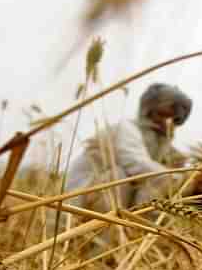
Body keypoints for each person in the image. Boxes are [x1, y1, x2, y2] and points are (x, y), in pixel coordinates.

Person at [65, 83, 192, 212]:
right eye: (162, 114)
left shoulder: (165, 148)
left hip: (112, 202)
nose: (167, 122)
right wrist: (182, 179)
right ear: (148, 111)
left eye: (174, 118)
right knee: (118, 177)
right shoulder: (127, 129)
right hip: (79, 199)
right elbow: (137, 164)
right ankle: (113, 229)